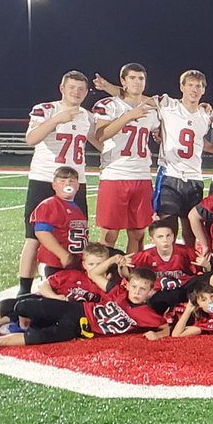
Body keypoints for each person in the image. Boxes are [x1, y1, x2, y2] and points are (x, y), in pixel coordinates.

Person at [18, 71, 96, 295]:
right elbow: (31, 139)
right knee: (33, 237)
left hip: (76, 181)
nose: (76, 92)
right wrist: (56, 120)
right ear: (62, 88)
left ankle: (67, 283)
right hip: (45, 179)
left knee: (76, 236)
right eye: (72, 87)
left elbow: (98, 141)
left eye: (81, 89)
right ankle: (24, 290)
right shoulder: (46, 109)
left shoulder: (87, 116)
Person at [0, 266, 169, 347]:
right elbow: (94, 273)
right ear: (128, 285)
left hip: (78, 329)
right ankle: (20, 324)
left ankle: (11, 333)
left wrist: (158, 334)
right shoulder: (118, 292)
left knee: (33, 339)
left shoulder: (148, 314)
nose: (137, 292)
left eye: (142, 289)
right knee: (22, 306)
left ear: (150, 292)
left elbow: (165, 327)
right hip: (76, 309)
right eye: (134, 287)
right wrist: (113, 260)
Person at [91, 63, 160, 253]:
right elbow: (100, 135)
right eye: (132, 78)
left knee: (138, 233)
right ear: (123, 81)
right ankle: (105, 275)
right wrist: (128, 116)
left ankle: (133, 275)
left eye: (141, 78)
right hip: (115, 173)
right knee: (109, 234)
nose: (137, 82)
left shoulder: (151, 110)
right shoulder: (109, 105)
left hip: (142, 175)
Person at [154, 70, 213, 249]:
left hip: (194, 177)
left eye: (199, 86)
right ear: (182, 87)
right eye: (190, 85)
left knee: (191, 228)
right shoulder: (168, 106)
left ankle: (189, 265)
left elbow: (206, 144)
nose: (194, 89)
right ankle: (168, 264)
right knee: (167, 226)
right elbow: (135, 96)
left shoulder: (206, 115)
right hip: (170, 174)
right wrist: (109, 87)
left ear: (203, 90)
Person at [132, 220, 213, 314]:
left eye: (168, 235)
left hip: (184, 289)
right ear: (152, 239)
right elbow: (131, 277)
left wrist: (207, 266)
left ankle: (210, 309)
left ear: (173, 237)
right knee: (154, 301)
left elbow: (202, 274)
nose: (165, 240)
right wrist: (122, 266)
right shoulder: (144, 256)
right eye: (160, 237)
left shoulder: (185, 252)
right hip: (161, 294)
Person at [26, 166, 89, 282]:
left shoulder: (77, 209)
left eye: (72, 181)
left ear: (78, 186)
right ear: (54, 185)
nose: (67, 184)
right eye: (62, 180)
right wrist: (63, 255)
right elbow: (42, 232)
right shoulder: (50, 205)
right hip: (55, 264)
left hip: (74, 263)